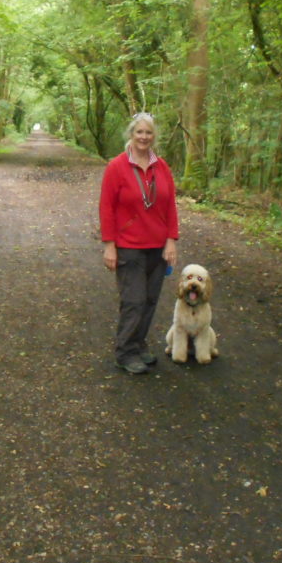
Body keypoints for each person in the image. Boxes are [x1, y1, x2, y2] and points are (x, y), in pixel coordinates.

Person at [99, 112, 179, 375]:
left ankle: (138, 344)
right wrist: (109, 245)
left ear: (153, 136)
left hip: (157, 246)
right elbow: (106, 208)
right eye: (139, 132)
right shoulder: (117, 167)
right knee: (133, 300)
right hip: (128, 247)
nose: (144, 137)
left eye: (148, 133)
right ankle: (125, 352)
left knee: (150, 300)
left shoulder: (162, 167)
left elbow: (170, 206)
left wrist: (171, 240)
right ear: (131, 135)